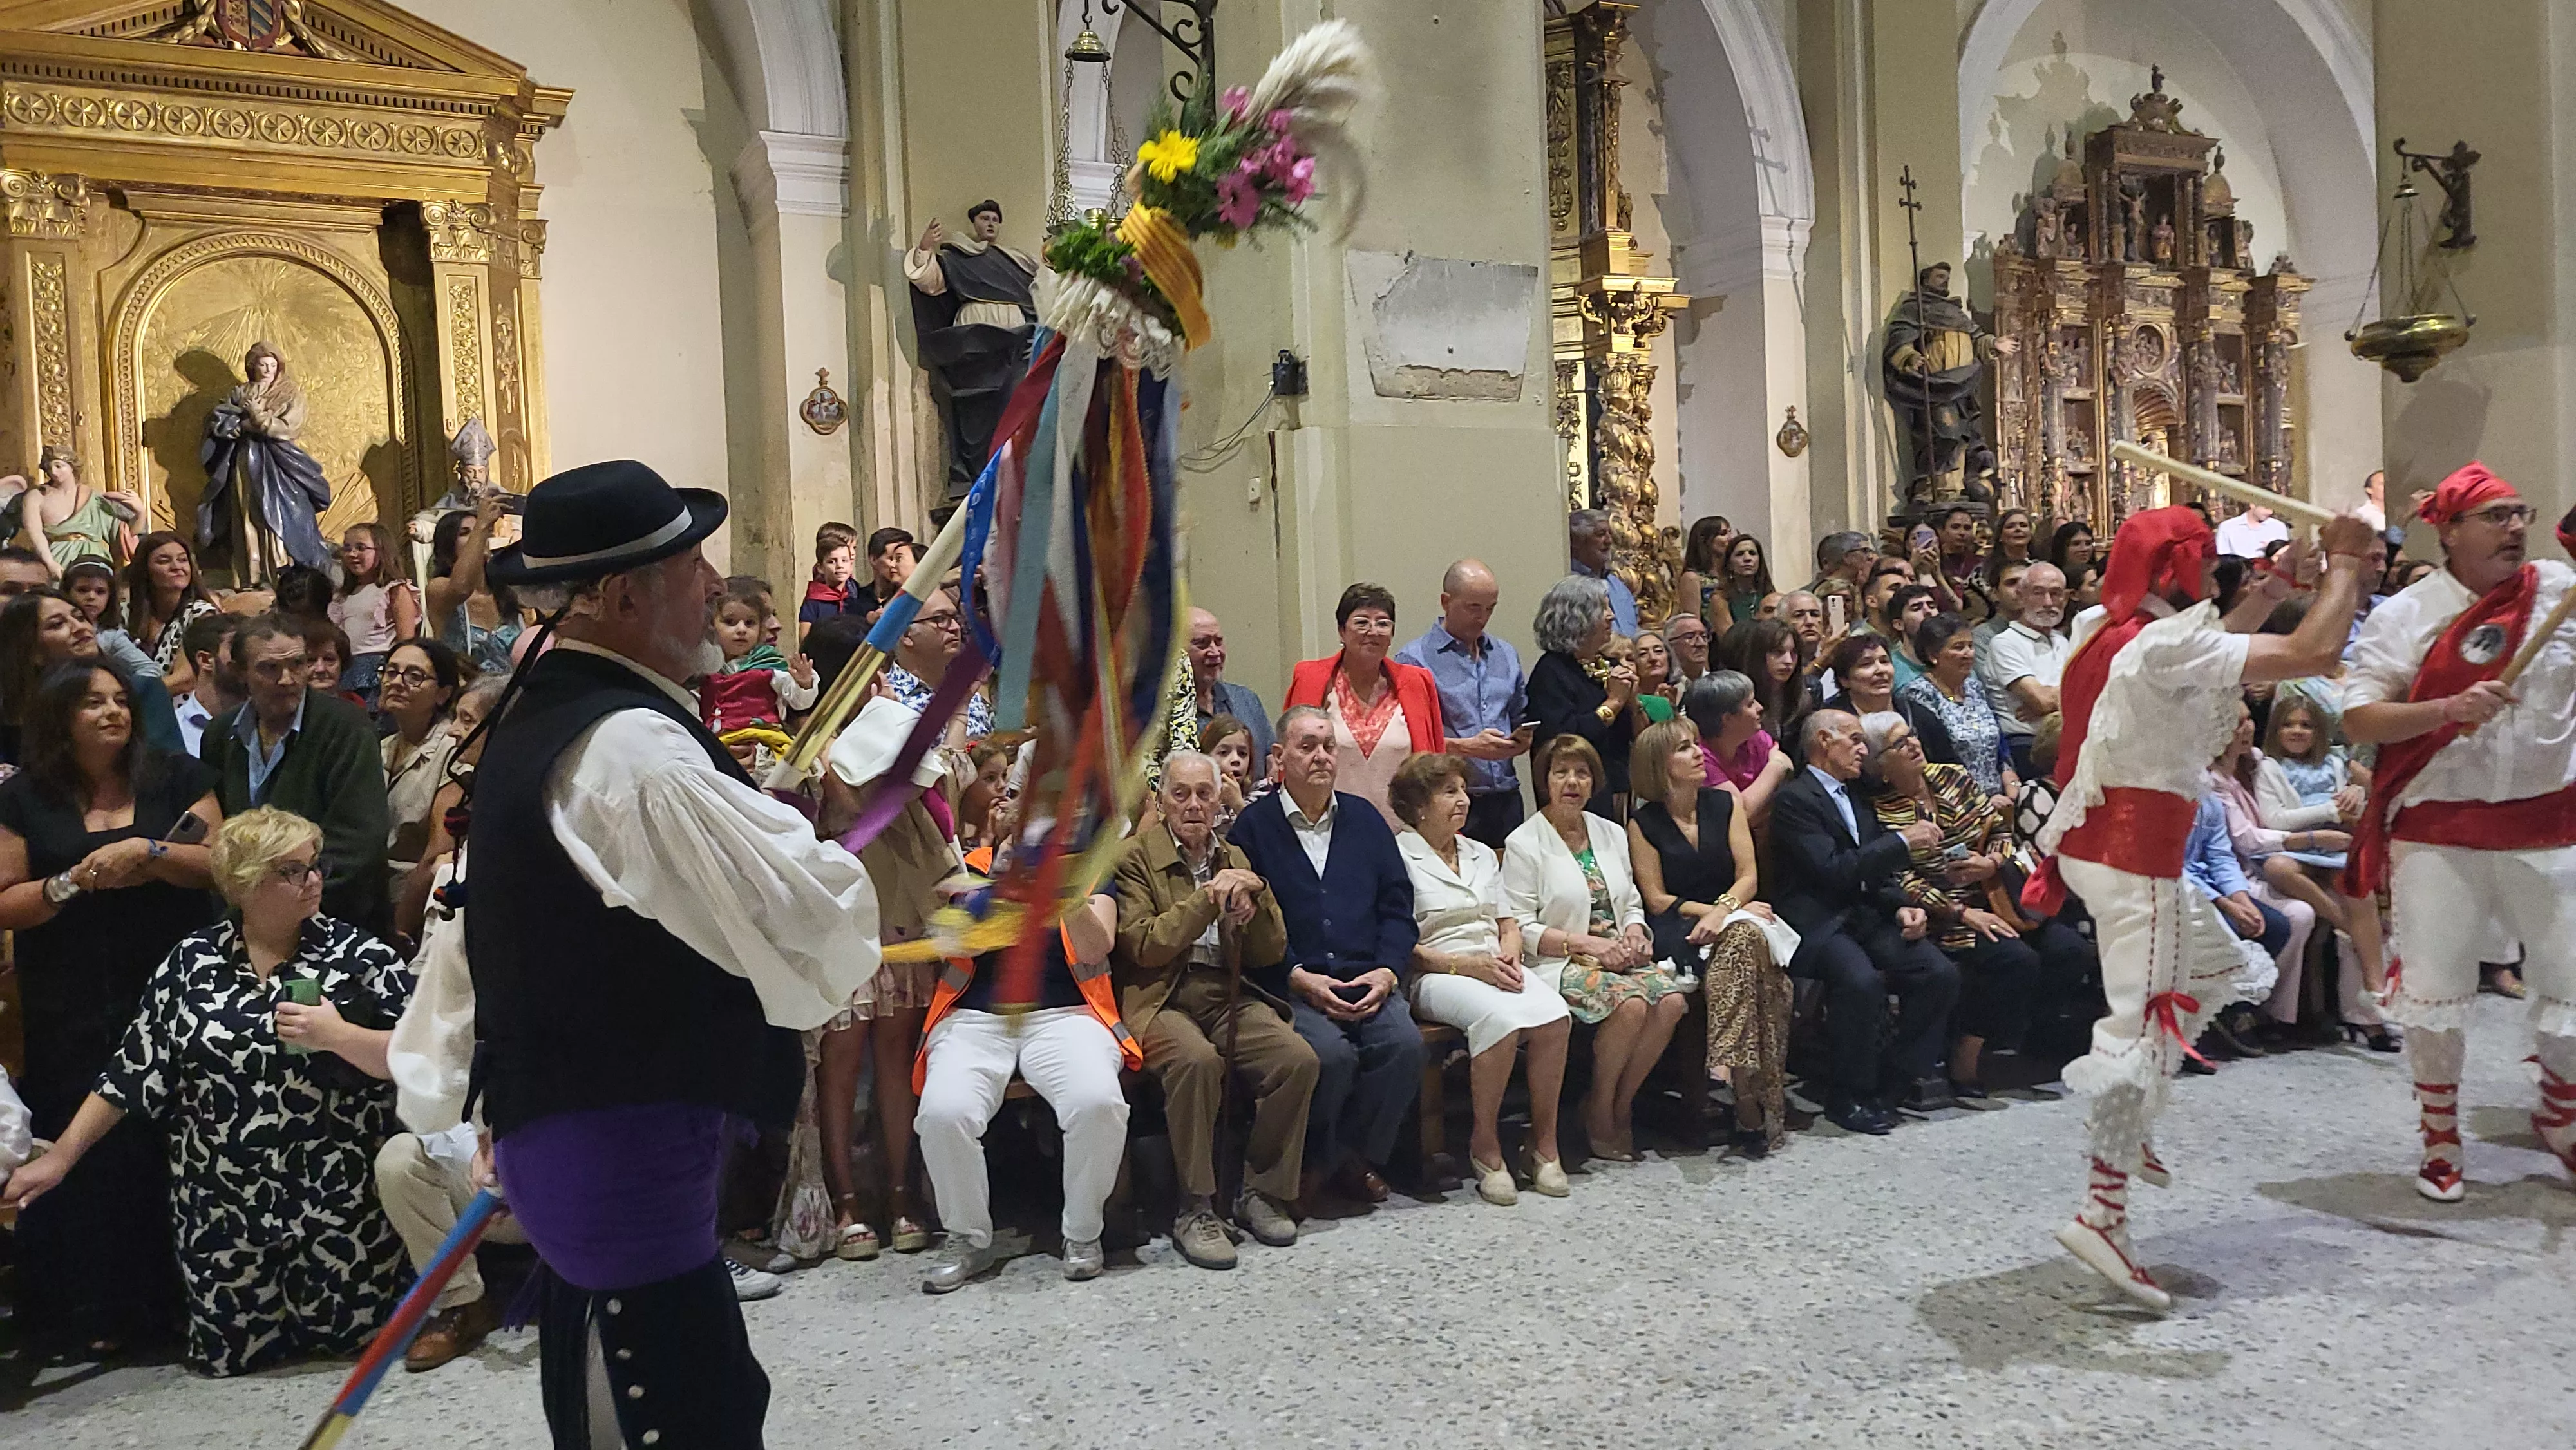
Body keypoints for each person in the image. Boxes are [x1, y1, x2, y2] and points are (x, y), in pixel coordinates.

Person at [464, 460, 880, 1447]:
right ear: (620, 595)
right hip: (614, 1146)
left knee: (646, 1376)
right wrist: (801, 850)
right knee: (681, 1406)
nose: (712, 585)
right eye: (693, 564)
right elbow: (811, 921)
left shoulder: (560, 714)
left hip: (589, 1135)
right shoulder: (630, 753)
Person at [2036, 504, 2374, 1310]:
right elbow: (2310, 651)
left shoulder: (2101, 624)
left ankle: (2135, 1124)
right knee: (2143, 1023)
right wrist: (2345, 566)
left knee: (2208, 962)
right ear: (2176, 571)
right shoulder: (2164, 644)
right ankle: (2102, 1212)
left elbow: (2211, 645)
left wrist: (2271, 587)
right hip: (2135, 858)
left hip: (2099, 847)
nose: (2211, 578)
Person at [5, 808, 412, 1375]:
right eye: (293, 871)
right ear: (245, 884)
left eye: (316, 866)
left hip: (336, 1210)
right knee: (232, 1368)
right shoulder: (191, 964)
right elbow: (131, 1072)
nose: (314, 880)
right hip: (224, 1216)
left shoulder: (358, 956)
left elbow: (423, 1058)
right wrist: (62, 1159)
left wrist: (340, 1037)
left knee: (352, 1354)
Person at [2343, 462, 2576, 1203]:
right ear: (2446, 532)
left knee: (2572, 985)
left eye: (2519, 513)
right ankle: (2440, 1136)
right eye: (2494, 516)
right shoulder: (2405, 615)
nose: (2514, 527)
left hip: (2550, 822)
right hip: (2440, 830)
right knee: (2438, 991)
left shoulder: (2558, 593)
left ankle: (2561, 1115)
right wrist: (2444, 709)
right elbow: (2358, 718)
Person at [0, 660, 220, 1358]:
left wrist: (152, 852)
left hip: (170, 981)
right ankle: (93, 1308)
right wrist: (70, 881)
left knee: (172, 1139)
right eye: (93, 702)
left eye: (120, 700)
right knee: (84, 1143)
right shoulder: (25, 797)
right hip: (68, 991)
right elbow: (7, 896)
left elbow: (223, 860)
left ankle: (180, 1302)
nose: (112, 712)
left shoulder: (176, 776)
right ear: (60, 716)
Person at [1114, 751, 1315, 1263]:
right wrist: (1207, 899)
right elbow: (1144, 946)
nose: (1194, 805)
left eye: (1205, 794)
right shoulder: (1135, 858)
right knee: (1196, 1062)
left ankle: (1259, 1192)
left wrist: (1258, 896)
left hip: (1226, 994)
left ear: (1219, 801)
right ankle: (1196, 1207)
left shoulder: (1234, 858)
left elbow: (1269, 952)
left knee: (1296, 1060)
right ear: (1161, 802)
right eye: (1181, 794)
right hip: (1159, 997)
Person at [1227, 705, 1425, 1209]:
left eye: (1328, 746)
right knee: (1329, 1057)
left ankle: (1336, 1160)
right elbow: (1249, 927)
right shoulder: (1252, 829)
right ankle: (1332, 1162)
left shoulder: (1365, 819)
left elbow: (1398, 909)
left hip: (1368, 976)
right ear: (1279, 757)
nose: (1320, 757)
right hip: (1290, 984)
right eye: (1307, 746)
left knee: (1403, 1047)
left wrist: (1386, 970)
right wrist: (1296, 976)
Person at [912, 869, 1137, 1291]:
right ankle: (967, 1237)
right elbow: (948, 945)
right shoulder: (971, 868)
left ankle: (1083, 1233)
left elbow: (1095, 948)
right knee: (945, 1112)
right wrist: (984, 898)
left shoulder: (1089, 871)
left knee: (1098, 1102)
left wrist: (1063, 895)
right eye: (1017, 803)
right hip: (976, 1019)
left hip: (1065, 1015)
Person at [1859, 711, 2090, 1102]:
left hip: (1999, 891)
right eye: (1900, 744)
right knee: (2014, 959)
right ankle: (1966, 1051)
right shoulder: (1880, 810)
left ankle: (2021, 1036)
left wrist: (1992, 862)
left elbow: (1999, 827)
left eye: (1912, 735)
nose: (1914, 744)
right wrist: (1961, 912)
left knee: (2071, 951)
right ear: (1881, 765)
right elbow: (1901, 880)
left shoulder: (1951, 775)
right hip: (1944, 913)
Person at [1393, 751, 1571, 1203]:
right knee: (1500, 1020)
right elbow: (1402, 945)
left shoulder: (1480, 854)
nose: (1463, 801)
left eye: (1464, 790)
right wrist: (1469, 967)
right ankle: (1485, 1145)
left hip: (1495, 964)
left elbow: (1508, 923)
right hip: (1437, 971)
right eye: (1449, 791)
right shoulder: (1399, 854)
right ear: (1418, 806)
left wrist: (1509, 956)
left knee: (1554, 1014)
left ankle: (1543, 1145)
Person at [1769, 711, 1958, 1131]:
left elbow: (1875, 874)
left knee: (1937, 972)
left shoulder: (1856, 797)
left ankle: (1890, 1080)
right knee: (1861, 982)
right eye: (1855, 740)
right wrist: (1902, 841)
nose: (1863, 750)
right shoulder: (1795, 799)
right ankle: (1846, 1094)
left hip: (1863, 912)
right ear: (1823, 740)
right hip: (1817, 919)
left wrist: (1900, 906)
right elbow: (1833, 869)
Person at [1501, 734, 1684, 1161]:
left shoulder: (1611, 833)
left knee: (1672, 1002)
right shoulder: (1524, 843)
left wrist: (1637, 932)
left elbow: (1632, 902)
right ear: (1544, 781)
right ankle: (1600, 1108)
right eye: (1561, 772)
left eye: (1582, 773)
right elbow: (1521, 927)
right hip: (1559, 960)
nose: (1572, 782)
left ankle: (1622, 1104)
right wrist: (1588, 945)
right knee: (1633, 1006)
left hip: (1619, 956)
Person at [1626, 719, 1791, 1155]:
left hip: (1732, 918)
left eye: (1697, 743)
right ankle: (1750, 1100)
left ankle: (1733, 1076)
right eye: (1685, 748)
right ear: (1660, 765)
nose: (1699, 753)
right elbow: (1657, 899)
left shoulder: (1724, 804)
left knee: (1741, 943)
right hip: (1680, 928)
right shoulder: (1643, 822)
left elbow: (1748, 875)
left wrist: (1726, 912)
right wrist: (1716, 914)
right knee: (1754, 957)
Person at [196, 612, 390, 932]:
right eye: (270, 668)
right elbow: (222, 838)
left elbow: (359, 842)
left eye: (297, 665)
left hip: (334, 917)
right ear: (241, 672)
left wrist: (279, 897)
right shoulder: (220, 735)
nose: (287, 679)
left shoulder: (346, 728)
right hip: (246, 920)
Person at [1396, 559, 1531, 849]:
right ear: (1446, 602)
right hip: (1446, 801)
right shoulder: (1414, 660)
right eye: (1473, 608)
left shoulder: (1505, 654)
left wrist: (1521, 740)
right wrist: (1466, 746)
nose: (1482, 618)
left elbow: (1520, 715)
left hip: (1505, 797)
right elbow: (1406, 740)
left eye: (1490, 608)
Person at [1285, 583, 1447, 825]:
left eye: (1383, 623)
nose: (1373, 631)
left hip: (1404, 832)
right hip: (1327, 828)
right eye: (1362, 622)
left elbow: (1434, 764)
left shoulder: (1417, 682)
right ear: (1342, 631)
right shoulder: (1310, 678)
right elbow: (1291, 756)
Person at [0, 587, 184, 758]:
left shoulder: (142, 690)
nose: (80, 628)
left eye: (80, 617)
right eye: (57, 624)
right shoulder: (15, 715)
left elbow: (173, 774)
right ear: (32, 652)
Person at [1526, 575, 1633, 818]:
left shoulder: (1610, 666)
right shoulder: (1551, 673)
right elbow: (1563, 740)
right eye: (1603, 608)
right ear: (1577, 618)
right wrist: (1613, 703)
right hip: (1575, 797)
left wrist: (1633, 700)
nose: (1612, 616)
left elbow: (1629, 735)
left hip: (1617, 787)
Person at [376, 638, 464, 909]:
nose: (397, 682)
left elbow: (438, 854)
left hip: (417, 901)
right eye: (391, 672)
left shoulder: (453, 750)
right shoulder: (382, 746)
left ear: (443, 694)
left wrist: (402, 925)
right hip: (373, 893)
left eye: (415, 676)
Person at [1901, 613, 2018, 801]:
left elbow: (1998, 745)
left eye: (1970, 646)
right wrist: (1981, 802)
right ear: (1933, 655)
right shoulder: (1919, 694)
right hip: (1956, 802)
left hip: (1998, 797)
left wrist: (2010, 782)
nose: (1968, 653)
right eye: (1958, 647)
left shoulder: (1974, 687)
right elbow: (1935, 759)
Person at [699, 583, 819, 762]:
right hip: (715, 746)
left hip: (762, 741)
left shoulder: (769, 666)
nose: (741, 630)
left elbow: (799, 702)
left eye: (750, 623)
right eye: (730, 622)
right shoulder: (702, 668)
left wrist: (804, 684)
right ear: (711, 626)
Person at [1979, 561, 2072, 777]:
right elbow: (2041, 700)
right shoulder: (2005, 643)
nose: (2048, 602)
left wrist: (2053, 703)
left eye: (2056, 594)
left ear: (2066, 599)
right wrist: (2067, 698)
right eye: (2038, 593)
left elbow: (2093, 692)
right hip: (2029, 747)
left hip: (2068, 739)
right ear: (2021, 596)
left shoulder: (2063, 641)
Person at [1817, 633, 1958, 768]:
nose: (1880, 670)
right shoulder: (1832, 722)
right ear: (1844, 680)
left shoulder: (1918, 715)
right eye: (1866, 664)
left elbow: (1951, 766)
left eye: (1885, 661)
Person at [1681, 670, 1792, 829]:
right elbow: (1739, 814)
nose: (1760, 707)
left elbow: (1788, 775)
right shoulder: (1699, 757)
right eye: (1750, 704)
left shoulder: (1755, 736)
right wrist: (1777, 766)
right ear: (1728, 719)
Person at [882, 584, 993, 740]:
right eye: (940, 619)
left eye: (955, 618)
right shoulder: (889, 700)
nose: (955, 628)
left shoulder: (967, 688)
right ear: (907, 635)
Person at [328, 522, 421, 704]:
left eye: (361, 548)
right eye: (347, 549)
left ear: (381, 551)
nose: (352, 554)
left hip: (378, 669)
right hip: (348, 670)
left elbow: (406, 641)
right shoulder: (343, 596)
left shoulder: (394, 590)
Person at [1186, 606, 1275, 766]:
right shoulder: (1159, 712)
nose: (1214, 652)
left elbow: (1270, 761)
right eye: (1202, 644)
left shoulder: (1247, 701)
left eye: (1218, 642)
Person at [121, 531, 219, 675]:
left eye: (183, 560)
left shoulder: (202, 614)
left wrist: (140, 697)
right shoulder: (125, 612)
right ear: (145, 570)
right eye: (164, 561)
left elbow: (186, 677)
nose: (176, 567)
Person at [1717, 617, 1809, 753]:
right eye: (1778, 652)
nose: (1788, 661)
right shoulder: (1738, 698)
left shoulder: (1805, 697)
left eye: (1794, 653)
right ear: (1759, 655)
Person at [172, 610, 243, 755]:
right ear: (205, 661)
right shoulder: (172, 730)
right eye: (238, 649)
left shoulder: (271, 724)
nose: (249, 659)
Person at [1569, 507, 1641, 636]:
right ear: (1577, 541)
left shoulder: (1617, 585)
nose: (1609, 541)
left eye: (1609, 534)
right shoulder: (1571, 586)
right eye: (1600, 534)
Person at [798, 521, 861, 642]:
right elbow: (805, 639)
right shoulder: (815, 597)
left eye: (854, 548)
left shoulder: (854, 589)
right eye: (847, 546)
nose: (852, 553)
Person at [1674, 515, 1735, 626]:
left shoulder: (1731, 575)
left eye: (1730, 532)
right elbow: (1693, 622)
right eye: (1723, 534)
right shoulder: (1692, 578)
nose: (1730, 538)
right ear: (1705, 540)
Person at [1712, 535, 1775, 626]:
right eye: (1740, 554)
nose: (1747, 558)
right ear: (1729, 564)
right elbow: (1729, 637)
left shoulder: (1770, 596)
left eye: (1752, 553)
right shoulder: (1720, 599)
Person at [2049, 520, 2103, 614]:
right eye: (2076, 544)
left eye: (2088, 543)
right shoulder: (2048, 574)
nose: (2084, 549)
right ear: (2062, 547)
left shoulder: (2099, 573)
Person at [1809, 530, 1879, 596]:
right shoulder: (1812, 594)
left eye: (1870, 551)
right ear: (1846, 557)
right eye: (1865, 551)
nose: (1870, 557)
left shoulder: (1864, 585)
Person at [1631, 630, 1679, 723]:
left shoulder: (1684, 690)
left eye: (1658, 651)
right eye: (1643, 654)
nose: (1653, 658)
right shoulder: (1630, 702)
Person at [2215, 502, 2290, 559]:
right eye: (2266, 508)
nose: (2270, 512)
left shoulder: (2279, 527)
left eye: (2272, 509)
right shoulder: (2227, 527)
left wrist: (2272, 548)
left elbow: (2284, 559)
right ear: (2253, 504)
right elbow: (2222, 560)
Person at [1663, 611, 1712, 685]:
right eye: (1690, 637)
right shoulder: (1663, 686)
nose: (1701, 643)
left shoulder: (1719, 684)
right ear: (1670, 644)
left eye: (1704, 636)